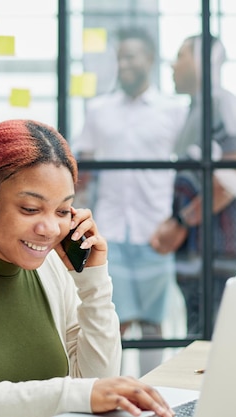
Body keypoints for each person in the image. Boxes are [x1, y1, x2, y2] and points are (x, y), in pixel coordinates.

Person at [0, 119, 174, 417]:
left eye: (63, 211)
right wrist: (74, 393)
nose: (50, 228)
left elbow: (94, 380)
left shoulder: (50, 267)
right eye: (30, 209)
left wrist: (94, 282)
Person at [72, 27, 187, 375]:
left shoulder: (174, 111)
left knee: (152, 325)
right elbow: (82, 166)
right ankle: (114, 393)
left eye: (131, 57)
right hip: (111, 233)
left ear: (149, 60)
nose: (123, 64)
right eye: (120, 57)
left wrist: (179, 220)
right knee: (114, 321)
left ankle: (151, 390)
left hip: (155, 231)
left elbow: (188, 170)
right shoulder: (98, 110)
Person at [150, 34, 236, 337]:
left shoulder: (222, 104)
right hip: (198, 245)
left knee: (208, 337)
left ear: (203, 61)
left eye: (181, 55)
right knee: (200, 331)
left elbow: (232, 177)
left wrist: (180, 222)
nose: (172, 64)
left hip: (216, 243)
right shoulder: (195, 109)